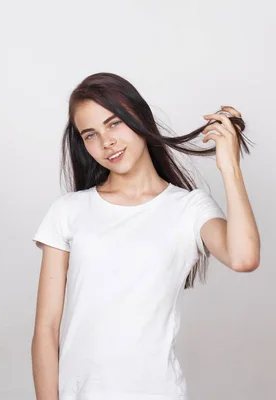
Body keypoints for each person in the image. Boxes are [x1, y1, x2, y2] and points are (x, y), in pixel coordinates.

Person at [30, 72, 261, 400]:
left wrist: (230, 168)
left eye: (114, 123)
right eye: (90, 134)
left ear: (140, 117)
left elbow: (243, 257)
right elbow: (46, 329)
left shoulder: (189, 209)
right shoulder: (68, 211)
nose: (106, 141)